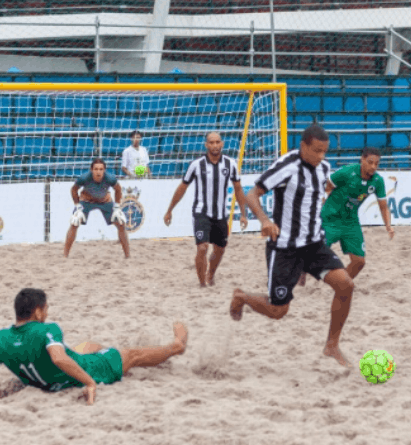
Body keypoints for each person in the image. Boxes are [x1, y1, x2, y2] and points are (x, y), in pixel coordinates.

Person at [229, 123, 356, 367]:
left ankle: (332, 346)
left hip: (313, 244)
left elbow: (320, 194)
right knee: (279, 311)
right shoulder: (288, 166)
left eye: (324, 152)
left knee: (346, 286)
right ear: (303, 146)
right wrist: (265, 220)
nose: (321, 157)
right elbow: (252, 194)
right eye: (317, 151)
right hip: (285, 248)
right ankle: (242, 297)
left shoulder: (324, 168)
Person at [0, 288, 188, 405]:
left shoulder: (0, 338)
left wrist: (4, 389)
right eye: (46, 309)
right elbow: (59, 359)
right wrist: (90, 383)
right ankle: (177, 347)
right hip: (82, 372)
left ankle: (102, 352)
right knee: (130, 354)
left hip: (48, 379)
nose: (48, 313)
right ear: (38, 312)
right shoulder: (47, 329)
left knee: (88, 345)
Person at [163, 132, 250, 287]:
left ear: (222, 144)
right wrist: (170, 210)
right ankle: (202, 283)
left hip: (220, 214)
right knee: (202, 248)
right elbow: (182, 187)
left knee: (220, 249)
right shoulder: (196, 165)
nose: (215, 145)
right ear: (206, 145)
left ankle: (211, 274)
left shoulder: (230, 164)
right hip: (201, 212)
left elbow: (238, 189)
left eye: (217, 142)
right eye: (211, 142)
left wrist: (243, 214)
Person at [319, 146, 395, 279]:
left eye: (376, 164)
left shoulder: (377, 181)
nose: (373, 166)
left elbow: (383, 206)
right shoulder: (347, 172)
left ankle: (343, 285)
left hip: (350, 221)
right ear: (362, 159)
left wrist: (388, 225)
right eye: (370, 162)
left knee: (359, 262)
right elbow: (327, 186)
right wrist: (324, 200)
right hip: (330, 218)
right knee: (316, 255)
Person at [63, 158, 130, 259]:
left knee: (121, 223)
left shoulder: (110, 178)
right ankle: (65, 255)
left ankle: (128, 256)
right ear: (91, 170)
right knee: (74, 222)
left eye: (101, 169)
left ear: (104, 170)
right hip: (86, 200)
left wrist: (116, 207)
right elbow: (73, 189)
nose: (98, 172)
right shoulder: (84, 178)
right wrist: (77, 206)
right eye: (96, 169)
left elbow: (118, 189)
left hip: (105, 200)